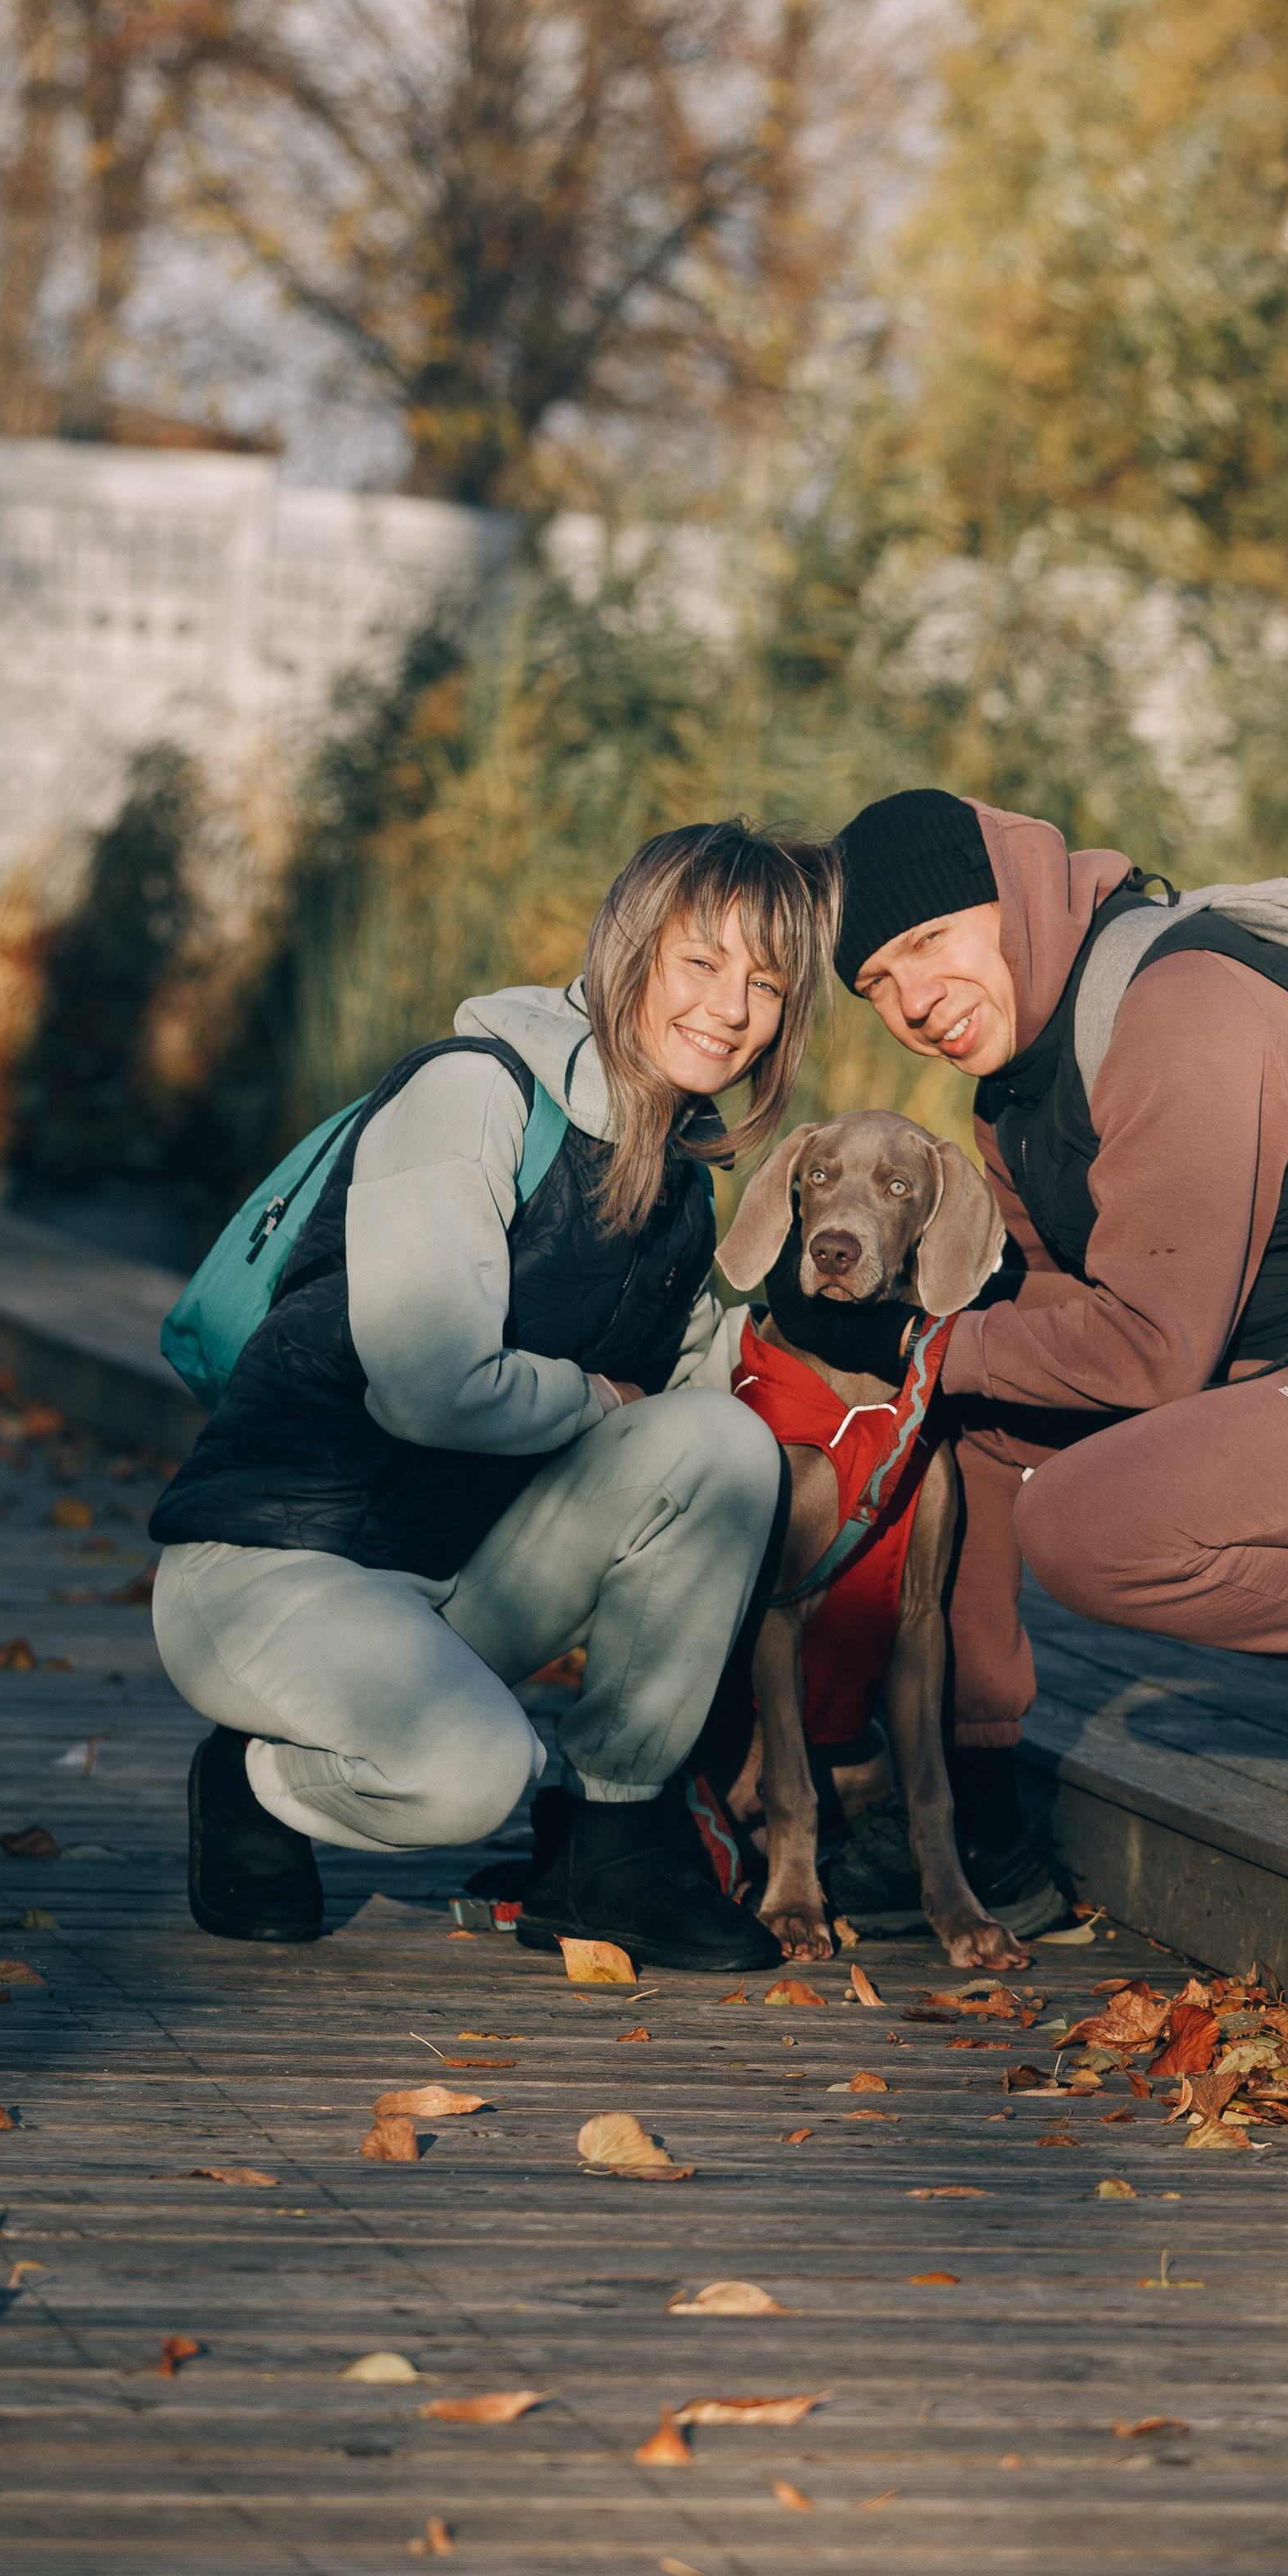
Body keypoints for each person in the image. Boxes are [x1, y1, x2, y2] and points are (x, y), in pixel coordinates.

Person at [822, 786, 1288, 1920]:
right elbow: (1053, 1315)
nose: (914, 999)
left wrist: (913, 1342)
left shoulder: (1183, 1005)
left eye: (932, 941)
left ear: (1017, 896)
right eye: (876, 983)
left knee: (1086, 1522)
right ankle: (977, 1820)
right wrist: (919, 1363)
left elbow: (1144, 1357)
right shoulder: (1017, 1095)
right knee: (970, 1425)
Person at [149, 821, 836, 1969]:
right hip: (273, 1564)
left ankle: (613, 1846)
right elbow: (428, 1387)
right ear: (630, 951)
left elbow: (696, 1437)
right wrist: (599, 1407)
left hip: (448, 1584)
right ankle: (256, 1780)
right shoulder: (475, 1093)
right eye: (703, 962)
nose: (732, 1007)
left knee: (721, 1448)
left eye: (767, 984)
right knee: (471, 1773)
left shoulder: (679, 1184)